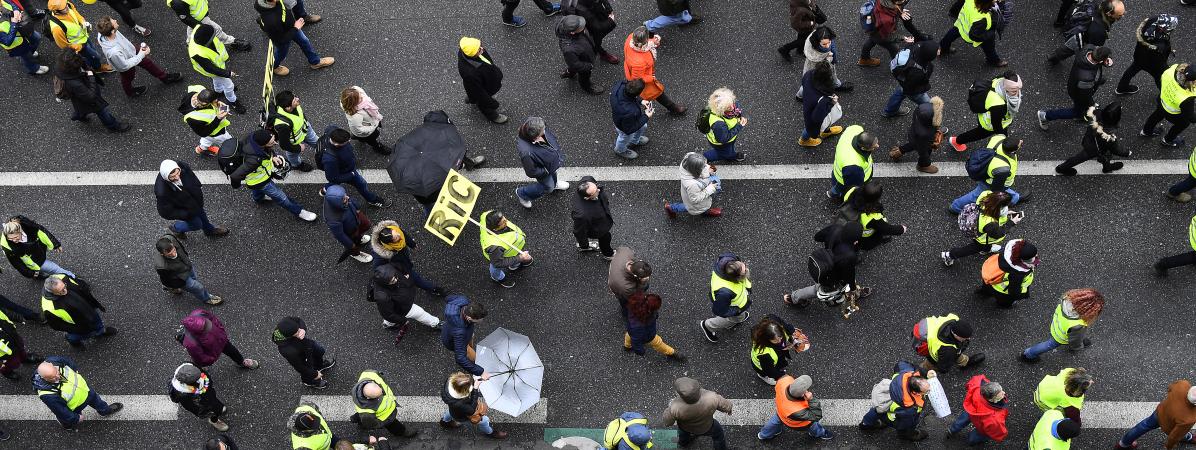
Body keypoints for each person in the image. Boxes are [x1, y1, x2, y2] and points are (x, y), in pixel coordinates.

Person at [229, 130, 319, 222]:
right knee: (282, 198)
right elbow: (235, 176)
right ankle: (299, 211)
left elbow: (266, 152)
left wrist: (272, 157)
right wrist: (236, 186)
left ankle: (258, 198)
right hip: (260, 181)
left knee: (257, 189)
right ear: (263, 144)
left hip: (256, 178)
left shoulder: (253, 140)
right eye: (272, 142)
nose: (275, 143)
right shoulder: (254, 160)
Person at [784, 222, 870, 311]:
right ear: (855, 240)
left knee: (819, 287)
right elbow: (849, 275)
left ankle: (793, 297)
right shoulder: (849, 255)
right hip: (831, 274)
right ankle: (794, 297)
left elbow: (817, 237)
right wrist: (853, 287)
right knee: (819, 289)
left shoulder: (836, 228)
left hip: (822, 262)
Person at [95, 16, 181, 97]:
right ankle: (130, 92)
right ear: (112, 31)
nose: (115, 20)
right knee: (128, 77)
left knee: (148, 63)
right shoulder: (114, 53)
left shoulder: (105, 32)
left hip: (130, 50)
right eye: (113, 21)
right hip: (125, 62)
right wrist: (141, 54)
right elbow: (124, 66)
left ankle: (165, 78)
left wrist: (139, 53)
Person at [33, 357, 123, 429]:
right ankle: (67, 424)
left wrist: (74, 370)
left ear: (51, 365)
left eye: (56, 372)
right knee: (66, 418)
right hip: (75, 406)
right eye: (52, 378)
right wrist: (75, 418)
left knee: (99, 402)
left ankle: (105, 411)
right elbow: (60, 410)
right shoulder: (47, 394)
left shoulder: (53, 361)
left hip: (86, 390)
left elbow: (67, 361)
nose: (57, 376)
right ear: (43, 378)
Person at [1038, 46, 1112, 129]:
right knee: (1076, 111)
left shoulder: (1088, 49)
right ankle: (1045, 116)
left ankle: (1083, 113)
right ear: (1100, 60)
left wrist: (1103, 62)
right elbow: (1085, 96)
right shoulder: (1086, 78)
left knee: (1083, 107)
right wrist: (1092, 104)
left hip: (1075, 82)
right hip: (1078, 93)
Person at [1022, 288, 1104, 362]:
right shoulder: (1078, 325)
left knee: (1048, 344)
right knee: (1049, 345)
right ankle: (1028, 355)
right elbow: (1075, 340)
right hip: (1060, 337)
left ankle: (1028, 353)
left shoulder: (1066, 299)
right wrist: (1076, 348)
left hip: (1056, 325)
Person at [948, 135, 1026, 213]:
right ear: (1013, 151)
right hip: (989, 183)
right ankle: (955, 207)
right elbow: (997, 188)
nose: (1021, 141)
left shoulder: (999, 139)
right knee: (976, 196)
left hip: (986, 172)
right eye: (1020, 144)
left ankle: (1014, 198)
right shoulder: (1002, 168)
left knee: (1002, 192)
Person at [56, 51, 130, 132]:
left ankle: (78, 116)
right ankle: (112, 126)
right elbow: (91, 96)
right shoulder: (75, 83)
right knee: (102, 111)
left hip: (78, 97)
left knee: (80, 108)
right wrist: (91, 77)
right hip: (88, 97)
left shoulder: (62, 67)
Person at [255, 0, 334, 77]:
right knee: (281, 52)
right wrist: (296, 28)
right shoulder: (271, 21)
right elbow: (282, 40)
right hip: (286, 33)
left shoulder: (270, 4)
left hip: (291, 26)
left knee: (304, 41)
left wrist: (294, 26)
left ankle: (315, 62)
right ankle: (273, 66)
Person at [858, 361, 933, 441]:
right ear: (915, 392)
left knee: (876, 410)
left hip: (883, 397)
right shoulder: (910, 409)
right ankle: (907, 435)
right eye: (926, 391)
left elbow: (901, 364)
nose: (929, 390)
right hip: (889, 412)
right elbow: (903, 425)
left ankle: (866, 423)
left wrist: (926, 373)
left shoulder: (905, 372)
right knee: (908, 425)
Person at [941, 191, 1021, 265]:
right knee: (973, 248)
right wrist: (1012, 222)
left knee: (984, 245)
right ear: (999, 207)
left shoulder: (986, 194)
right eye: (1006, 205)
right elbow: (997, 234)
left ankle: (986, 249)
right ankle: (949, 255)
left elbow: (995, 210)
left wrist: (1006, 212)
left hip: (976, 227)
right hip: (982, 238)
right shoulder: (989, 223)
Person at [949, 71, 1022, 152]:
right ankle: (956, 141)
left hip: (993, 114)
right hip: (988, 123)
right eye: (1014, 91)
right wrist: (1002, 138)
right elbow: (996, 125)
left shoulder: (1001, 80)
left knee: (1001, 132)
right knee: (978, 134)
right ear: (1006, 89)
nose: (1017, 93)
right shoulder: (999, 105)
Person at [369, 221, 446, 296]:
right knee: (416, 279)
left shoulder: (394, 230)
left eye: (397, 232)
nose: (399, 235)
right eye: (396, 238)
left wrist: (412, 244)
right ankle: (433, 289)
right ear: (390, 243)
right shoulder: (381, 255)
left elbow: (404, 235)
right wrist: (394, 275)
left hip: (403, 257)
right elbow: (377, 269)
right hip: (401, 268)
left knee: (409, 265)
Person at [1114, 379, 1196, 449]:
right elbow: (1174, 436)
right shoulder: (1190, 418)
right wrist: (1169, 446)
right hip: (1169, 425)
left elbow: (1170, 388)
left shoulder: (1182, 384)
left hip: (1160, 411)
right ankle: (1188, 437)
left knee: (1143, 426)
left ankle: (1123, 444)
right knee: (1181, 432)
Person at [623, 27, 686, 115]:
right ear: (645, 41)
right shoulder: (638, 62)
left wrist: (653, 41)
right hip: (644, 80)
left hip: (632, 69)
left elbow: (645, 44)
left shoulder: (631, 38)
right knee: (657, 93)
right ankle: (673, 108)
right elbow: (637, 79)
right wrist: (651, 78)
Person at [41, 275, 116, 348]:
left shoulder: (62, 277)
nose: (65, 291)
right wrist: (75, 329)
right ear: (52, 293)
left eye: (64, 286)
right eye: (61, 291)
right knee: (82, 335)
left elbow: (79, 285)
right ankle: (71, 339)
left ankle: (101, 331)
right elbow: (56, 325)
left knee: (97, 322)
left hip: (90, 311)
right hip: (78, 325)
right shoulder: (49, 308)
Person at [1056, 102, 1129, 175]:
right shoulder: (1109, 136)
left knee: (1080, 157)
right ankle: (1107, 168)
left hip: (1089, 141)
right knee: (1106, 156)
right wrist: (1126, 153)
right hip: (1098, 148)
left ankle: (1062, 167)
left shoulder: (1097, 113)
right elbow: (1116, 150)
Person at [370, 264, 440, 338]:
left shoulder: (390, 272)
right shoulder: (382, 297)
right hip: (403, 308)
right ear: (385, 283)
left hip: (399, 303)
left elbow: (388, 313)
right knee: (420, 313)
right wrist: (403, 321)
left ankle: (388, 324)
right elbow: (388, 314)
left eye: (395, 276)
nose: (396, 280)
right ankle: (435, 323)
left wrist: (404, 273)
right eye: (392, 280)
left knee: (391, 316)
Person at [187, 24, 244, 115]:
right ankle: (233, 101)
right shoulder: (197, 53)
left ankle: (218, 91)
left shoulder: (199, 29)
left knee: (217, 80)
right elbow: (211, 69)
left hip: (218, 67)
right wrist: (228, 73)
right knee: (229, 86)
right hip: (215, 71)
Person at [662, 377, 732, 449]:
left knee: (683, 434)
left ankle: (683, 443)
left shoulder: (674, 407)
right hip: (707, 426)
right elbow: (726, 405)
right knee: (718, 435)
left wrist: (668, 410)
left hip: (685, 427)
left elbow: (667, 422)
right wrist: (729, 410)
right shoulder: (712, 397)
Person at [757, 374, 833, 441]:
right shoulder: (797, 410)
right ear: (802, 394)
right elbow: (816, 416)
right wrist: (811, 399)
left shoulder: (784, 380)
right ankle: (820, 433)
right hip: (797, 424)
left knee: (774, 423)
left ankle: (763, 435)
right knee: (813, 425)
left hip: (781, 412)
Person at [1116, 14, 1177, 96]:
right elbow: (1160, 59)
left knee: (1131, 70)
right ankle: (1165, 95)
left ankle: (1121, 88)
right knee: (1160, 78)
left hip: (1139, 56)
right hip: (1154, 64)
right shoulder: (1161, 44)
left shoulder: (1150, 24)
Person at [177, 309, 260, 369]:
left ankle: (241, 362)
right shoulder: (191, 342)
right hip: (211, 351)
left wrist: (222, 331)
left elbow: (214, 319)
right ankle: (200, 372)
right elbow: (200, 357)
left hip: (221, 340)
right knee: (199, 365)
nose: (210, 327)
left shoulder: (199, 313)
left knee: (233, 351)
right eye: (206, 330)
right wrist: (211, 359)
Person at [1047, 0, 1123, 65]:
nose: (1122, 15)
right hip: (1083, 40)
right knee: (1071, 51)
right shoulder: (1099, 31)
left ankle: (1053, 58)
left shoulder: (1097, 6)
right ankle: (1055, 59)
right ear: (1109, 14)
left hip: (1078, 31)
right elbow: (1094, 48)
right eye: (1120, 15)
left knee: (1067, 49)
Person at [154, 234, 223, 305]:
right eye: (169, 253)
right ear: (162, 254)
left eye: (173, 249)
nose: (174, 253)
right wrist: (179, 284)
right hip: (181, 277)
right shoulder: (162, 266)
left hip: (187, 265)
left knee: (194, 278)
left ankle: (171, 288)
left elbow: (181, 247)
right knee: (198, 287)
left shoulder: (170, 238)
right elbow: (166, 279)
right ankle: (207, 298)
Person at [514, 117, 568, 208]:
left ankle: (554, 184)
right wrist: (546, 171)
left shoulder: (534, 124)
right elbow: (531, 171)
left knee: (553, 176)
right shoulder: (526, 152)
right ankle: (522, 193)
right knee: (547, 187)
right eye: (541, 133)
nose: (544, 132)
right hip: (545, 171)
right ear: (534, 137)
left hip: (549, 165)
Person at [699, 252, 752, 343]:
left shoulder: (729, 260)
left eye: (743, 265)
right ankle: (708, 325)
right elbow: (719, 310)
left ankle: (738, 318)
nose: (746, 268)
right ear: (737, 278)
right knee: (735, 318)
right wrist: (737, 311)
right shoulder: (724, 293)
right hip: (734, 307)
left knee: (739, 316)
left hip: (734, 301)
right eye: (744, 271)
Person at [1141, 63, 1196, 148]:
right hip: (1171, 113)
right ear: (1192, 82)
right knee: (1184, 123)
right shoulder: (1187, 97)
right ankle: (1168, 140)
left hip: (1162, 99)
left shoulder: (1173, 69)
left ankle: (1146, 131)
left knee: (1157, 114)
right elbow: (1191, 118)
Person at [839, 182, 906, 250]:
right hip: (864, 238)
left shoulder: (852, 190)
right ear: (877, 199)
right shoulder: (873, 217)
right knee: (873, 240)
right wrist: (901, 229)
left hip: (851, 228)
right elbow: (887, 228)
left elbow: (842, 199)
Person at [440, 371, 507, 439]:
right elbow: (472, 409)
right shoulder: (460, 403)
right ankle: (491, 433)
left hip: (453, 409)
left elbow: (464, 383)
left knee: (450, 413)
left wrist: (480, 378)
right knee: (484, 420)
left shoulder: (449, 382)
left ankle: (445, 422)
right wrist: (475, 390)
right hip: (462, 416)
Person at [272, 317, 335, 389]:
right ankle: (309, 381)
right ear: (290, 336)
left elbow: (298, 320)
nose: (299, 331)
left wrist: (303, 329)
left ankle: (319, 366)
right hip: (302, 356)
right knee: (307, 368)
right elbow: (299, 367)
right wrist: (314, 374)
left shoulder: (286, 322)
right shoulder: (287, 350)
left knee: (320, 351)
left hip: (308, 346)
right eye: (297, 332)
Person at [351, 370, 417, 438]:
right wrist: (383, 423)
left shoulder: (370, 376)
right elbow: (372, 423)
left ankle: (357, 419)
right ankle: (401, 432)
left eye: (380, 389)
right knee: (393, 425)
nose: (382, 392)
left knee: (364, 417)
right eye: (379, 395)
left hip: (369, 416)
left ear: (372, 383)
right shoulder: (367, 412)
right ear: (368, 398)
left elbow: (372, 372)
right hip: (386, 418)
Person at [859, 0, 926, 66]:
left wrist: (899, 10)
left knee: (872, 40)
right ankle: (897, 67)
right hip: (881, 33)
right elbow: (888, 36)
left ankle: (864, 59)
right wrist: (903, 38)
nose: (905, 1)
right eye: (903, 1)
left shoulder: (885, 3)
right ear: (896, 2)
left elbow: (890, 8)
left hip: (875, 27)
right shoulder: (887, 20)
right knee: (894, 48)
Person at [46, 0, 108, 71]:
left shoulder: (67, 5)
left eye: (66, 5)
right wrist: (79, 47)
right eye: (64, 8)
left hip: (84, 37)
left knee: (93, 54)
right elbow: (64, 46)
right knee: (95, 57)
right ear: (56, 11)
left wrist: (83, 22)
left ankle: (91, 66)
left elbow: (74, 11)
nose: (67, 7)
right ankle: (97, 68)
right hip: (80, 46)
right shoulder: (57, 29)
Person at [2, 215, 72, 279]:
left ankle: (38, 275)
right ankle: (71, 277)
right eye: (10, 239)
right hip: (35, 261)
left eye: (16, 237)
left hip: (38, 251)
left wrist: (55, 244)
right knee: (56, 269)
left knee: (39, 272)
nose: (14, 240)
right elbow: (17, 263)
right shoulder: (8, 248)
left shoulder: (29, 226)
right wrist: (29, 273)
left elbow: (42, 231)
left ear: (21, 231)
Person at [457, 37, 508, 124]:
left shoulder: (468, 52)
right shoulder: (470, 73)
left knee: (473, 92)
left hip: (483, 82)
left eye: (480, 45)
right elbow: (480, 92)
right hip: (485, 86)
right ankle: (493, 116)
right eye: (478, 49)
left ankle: (472, 98)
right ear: (472, 54)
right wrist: (492, 103)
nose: (482, 49)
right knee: (483, 103)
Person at [939, 0, 1005, 67]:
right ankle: (993, 60)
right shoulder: (982, 18)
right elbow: (975, 36)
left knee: (952, 34)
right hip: (977, 33)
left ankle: (943, 48)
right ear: (986, 4)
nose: (996, 1)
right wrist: (990, 34)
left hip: (962, 23)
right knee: (989, 48)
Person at [912, 313, 984, 373]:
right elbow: (943, 368)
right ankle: (919, 375)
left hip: (934, 344)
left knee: (955, 355)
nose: (968, 339)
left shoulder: (952, 318)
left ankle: (964, 361)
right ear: (955, 335)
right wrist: (946, 366)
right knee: (928, 367)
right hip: (934, 358)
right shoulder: (947, 349)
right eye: (964, 338)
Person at [168, 0, 251, 51]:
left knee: (192, 30)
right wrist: (201, 26)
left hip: (201, 16)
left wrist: (205, 4)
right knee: (217, 30)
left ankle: (190, 44)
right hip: (198, 20)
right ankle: (230, 42)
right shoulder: (177, 2)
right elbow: (185, 19)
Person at [977, 238, 1038, 307]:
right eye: (1034, 257)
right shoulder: (1018, 274)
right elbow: (1014, 291)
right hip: (1002, 291)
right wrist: (1022, 295)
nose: (1036, 257)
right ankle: (1003, 306)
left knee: (986, 290)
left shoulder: (1007, 254)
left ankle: (983, 293)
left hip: (990, 279)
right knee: (1004, 302)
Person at [948, 375, 1007, 445]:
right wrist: (1001, 437)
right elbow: (998, 432)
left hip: (971, 411)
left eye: (1001, 390)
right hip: (982, 423)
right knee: (980, 434)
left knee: (962, 420)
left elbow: (976, 379)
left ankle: (952, 430)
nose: (1004, 393)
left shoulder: (978, 387)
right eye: (1000, 394)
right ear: (991, 399)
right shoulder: (995, 418)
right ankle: (970, 441)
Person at [890, 96, 945, 172]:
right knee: (925, 153)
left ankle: (898, 152)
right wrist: (932, 141)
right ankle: (923, 166)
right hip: (922, 142)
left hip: (914, 135)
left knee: (913, 144)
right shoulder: (924, 134)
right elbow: (923, 148)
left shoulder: (920, 112)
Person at [795, 26, 852, 100]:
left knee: (832, 75)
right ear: (817, 42)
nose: (828, 46)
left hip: (826, 64)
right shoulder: (814, 55)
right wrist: (829, 58)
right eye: (824, 44)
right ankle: (800, 96)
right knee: (808, 82)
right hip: (814, 68)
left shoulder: (820, 38)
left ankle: (836, 85)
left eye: (829, 42)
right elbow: (822, 65)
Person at [882, 40, 937, 118]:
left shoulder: (915, 48)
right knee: (930, 107)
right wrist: (925, 87)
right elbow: (911, 87)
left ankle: (889, 111)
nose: (938, 51)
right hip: (913, 89)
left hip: (904, 79)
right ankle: (935, 125)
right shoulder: (919, 72)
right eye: (937, 50)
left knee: (900, 91)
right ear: (931, 57)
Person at [749, 314, 808, 385]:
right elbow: (770, 371)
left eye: (781, 337)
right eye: (775, 340)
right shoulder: (764, 354)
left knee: (778, 361)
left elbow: (782, 323)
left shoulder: (773, 322)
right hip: (762, 367)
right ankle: (763, 376)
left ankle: (778, 366)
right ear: (766, 339)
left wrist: (790, 330)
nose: (780, 341)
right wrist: (783, 376)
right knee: (768, 372)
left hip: (774, 355)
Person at [441, 296, 490, 379]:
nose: (482, 321)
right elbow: (460, 358)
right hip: (453, 340)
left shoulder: (463, 301)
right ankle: (473, 362)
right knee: (470, 354)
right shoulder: (461, 332)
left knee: (469, 345)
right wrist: (481, 372)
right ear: (469, 318)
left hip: (451, 330)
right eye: (480, 319)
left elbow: (448, 297)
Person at [623, 292, 682, 361]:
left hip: (631, 331)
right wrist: (640, 351)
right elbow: (636, 340)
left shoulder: (635, 305)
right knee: (658, 343)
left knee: (628, 336)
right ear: (650, 310)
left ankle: (627, 347)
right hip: (648, 336)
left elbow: (635, 338)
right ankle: (672, 352)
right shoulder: (646, 318)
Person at [169, 363, 229, 431]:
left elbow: (204, 375)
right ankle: (214, 421)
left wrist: (209, 384)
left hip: (207, 395)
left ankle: (219, 408)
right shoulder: (182, 394)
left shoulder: (189, 366)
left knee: (215, 403)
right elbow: (191, 407)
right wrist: (203, 413)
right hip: (201, 402)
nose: (201, 377)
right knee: (211, 412)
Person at [478, 210, 530, 288]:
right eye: (503, 222)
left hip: (511, 250)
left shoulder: (487, 216)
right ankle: (499, 278)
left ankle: (514, 266)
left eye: (503, 218)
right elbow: (497, 263)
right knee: (495, 268)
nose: (506, 220)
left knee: (514, 257)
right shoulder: (495, 247)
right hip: (498, 257)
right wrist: (520, 258)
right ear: (495, 229)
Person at [323, 185, 374, 264]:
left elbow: (350, 200)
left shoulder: (340, 199)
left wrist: (357, 208)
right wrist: (350, 245)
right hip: (350, 231)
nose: (347, 197)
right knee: (353, 245)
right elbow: (340, 235)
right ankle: (355, 254)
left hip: (355, 218)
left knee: (366, 225)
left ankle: (359, 239)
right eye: (344, 198)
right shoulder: (333, 219)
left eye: (345, 195)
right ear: (338, 203)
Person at [799, 61, 844, 148]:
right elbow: (817, 118)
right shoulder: (823, 98)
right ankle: (804, 140)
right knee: (810, 128)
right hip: (813, 111)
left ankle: (825, 131)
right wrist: (832, 103)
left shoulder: (809, 74)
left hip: (808, 105)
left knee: (810, 125)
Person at [178, 87, 234, 156]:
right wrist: (218, 118)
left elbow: (214, 101)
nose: (216, 101)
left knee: (207, 139)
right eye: (215, 101)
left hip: (209, 135)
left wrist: (220, 105)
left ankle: (201, 149)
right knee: (230, 143)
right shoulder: (192, 118)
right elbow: (203, 133)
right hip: (217, 133)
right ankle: (231, 154)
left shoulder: (199, 90)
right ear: (206, 103)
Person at [828, 125, 878, 202]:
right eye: (873, 147)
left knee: (837, 187)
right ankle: (838, 196)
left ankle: (832, 193)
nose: (877, 146)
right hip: (844, 180)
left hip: (839, 174)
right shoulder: (853, 166)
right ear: (863, 148)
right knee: (846, 191)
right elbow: (854, 186)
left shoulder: (855, 129)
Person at [270, 90, 317, 172]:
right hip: (294, 142)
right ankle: (297, 165)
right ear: (288, 107)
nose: (297, 99)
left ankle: (323, 149)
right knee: (293, 156)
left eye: (295, 97)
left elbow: (300, 115)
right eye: (294, 100)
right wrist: (298, 148)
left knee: (317, 143)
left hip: (305, 129)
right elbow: (284, 145)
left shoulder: (292, 106)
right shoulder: (282, 125)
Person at [664, 152, 722, 218]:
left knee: (689, 206)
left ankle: (705, 210)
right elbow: (695, 199)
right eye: (704, 166)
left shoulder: (689, 160)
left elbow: (698, 174)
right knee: (691, 207)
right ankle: (671, 208)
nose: (707, 166)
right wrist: (710, 189)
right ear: (697, 170)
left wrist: (708, 170)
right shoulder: (692, 185)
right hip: (695, 201)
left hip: (693, 192)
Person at [556, 15, 603, 95]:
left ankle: (569, 73)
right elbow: (575, 64)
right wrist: (589, 66)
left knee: (573, 65)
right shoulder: (569, 49)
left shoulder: (568, 25)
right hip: (585, 62)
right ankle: (587, 87)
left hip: (584, 54)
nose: (583, 26)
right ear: (572, 32)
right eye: (580, 27)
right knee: (584, 75)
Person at [560, 0, 618, 64]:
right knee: (594, 41)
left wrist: (609, 9)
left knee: (594, 40)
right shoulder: (581, 10)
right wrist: (610, 21)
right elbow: (597, 27)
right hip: (584, 25)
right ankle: (601, 54)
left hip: (592, 12)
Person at [1, 0, 49, 75]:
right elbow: (7, 41)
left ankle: (30, 52)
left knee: (37, 38)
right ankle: (34, 69)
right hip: (16, 44)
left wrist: (16, 10)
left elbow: (11, 3)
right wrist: (14, 23)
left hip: (23, 29)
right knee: (26, 56)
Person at [571, 176, 615, 258]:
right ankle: (608, 254)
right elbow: (579, 231)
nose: (599, 190)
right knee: (606, 238)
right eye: (595, 191)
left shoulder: (588, 180)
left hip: (600, 219)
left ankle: (584, 247)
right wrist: (583, 243)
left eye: (596, 186)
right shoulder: (582, 215)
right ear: (586, 198)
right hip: (598, 228)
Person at [340, 86, 392, 154]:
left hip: (372, 121)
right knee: (372, 140)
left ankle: (355, 136)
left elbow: (358, 89)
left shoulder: (357, 93)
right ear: (354, 103)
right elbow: (360, 129)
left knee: (359, 136)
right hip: (367, 131)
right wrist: (372, 128)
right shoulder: (354, 116)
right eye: (359, 98)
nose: (362, 97)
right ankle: (377, 147)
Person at [609, 78, 651, 159]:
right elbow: (629, 129)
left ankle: (635, 140)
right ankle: (620, 150)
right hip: (624, 126)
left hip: (621, 118)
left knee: (643, 126)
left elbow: (630, 95)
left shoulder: (620, 85)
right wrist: (646, 116)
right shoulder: (630, 111)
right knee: (625, 137)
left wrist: (641, 101)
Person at [703, 87, 747, 163]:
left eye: (732, 103)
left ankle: (730, 155)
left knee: (729, 149)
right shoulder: (718, 124)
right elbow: (723, 139)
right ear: (721, 109)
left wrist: (739, 116)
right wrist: (739, 126)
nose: (733, 107)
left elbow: (736, 110)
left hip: (727, 137)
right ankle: (702, 159)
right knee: (723, 153)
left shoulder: (730, 103)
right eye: (728, 107)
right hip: (721, 143)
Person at [0, 307, 41, 380]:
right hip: (4, 354)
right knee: (10, 364)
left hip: (12, 336)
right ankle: (7, 372)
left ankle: (24, 358)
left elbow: (4, 312)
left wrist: (16, 317)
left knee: (21, 348)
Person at [607, 246, 650, 311]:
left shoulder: (626, 251)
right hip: (619, 290)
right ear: (636, 276)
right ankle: (626, 312)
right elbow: (634, 296)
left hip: (616, 271)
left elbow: (620, 248)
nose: (648, 278)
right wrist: (642, 283)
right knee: (626, 303)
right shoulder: (626, 287)